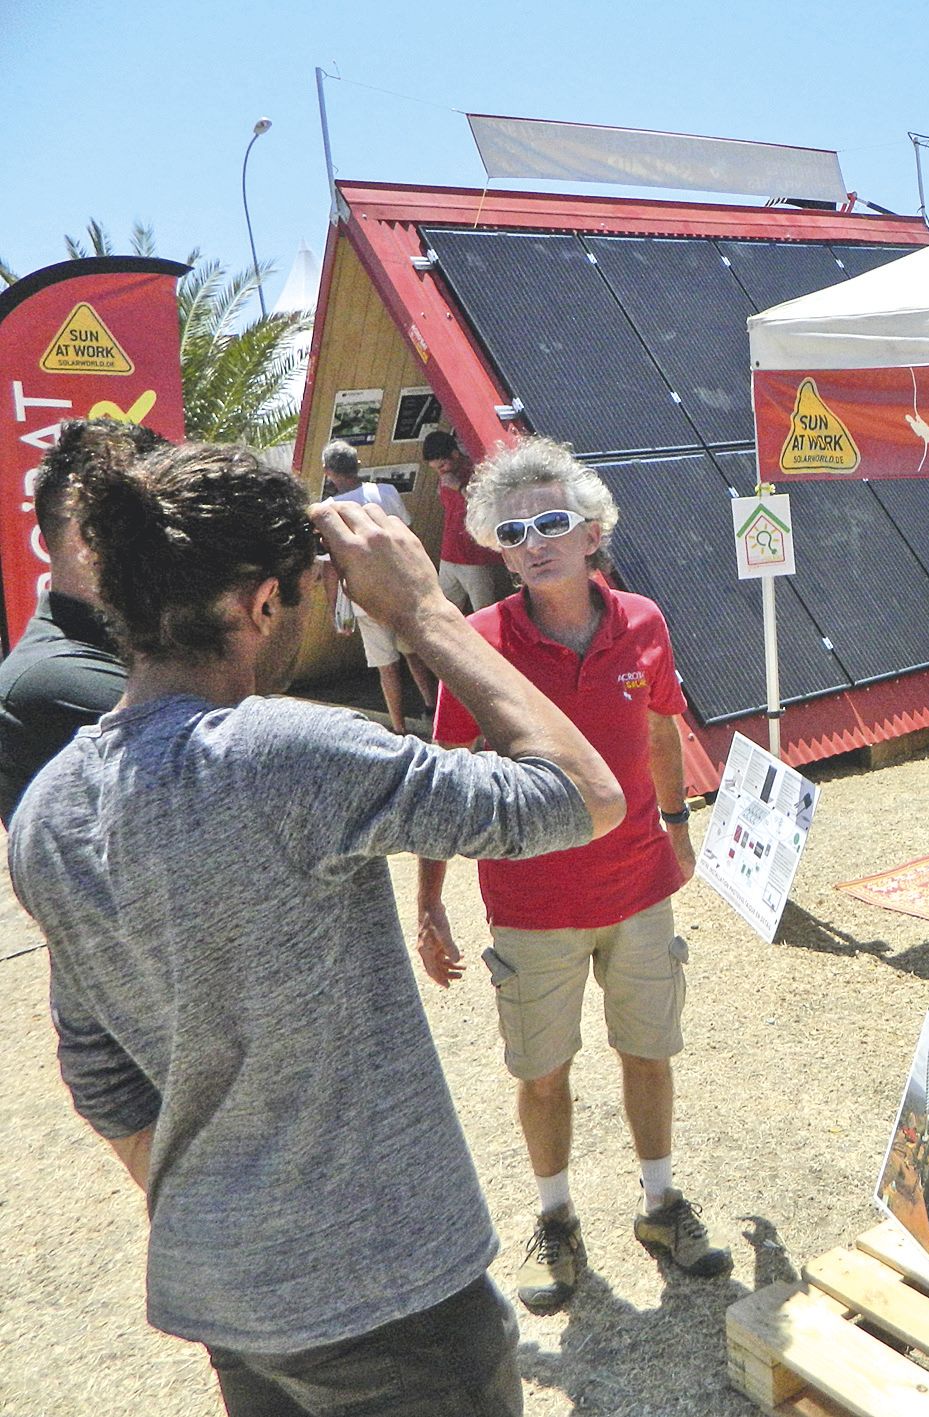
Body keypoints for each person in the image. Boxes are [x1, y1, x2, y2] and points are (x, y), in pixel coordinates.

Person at [6, 442, 626, 1416]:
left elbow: (97, 1070)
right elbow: (584, 796)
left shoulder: (47, 813)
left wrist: (232, 1218)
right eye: (309, 593)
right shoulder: (286, 752)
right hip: (393, 1294)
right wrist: (424, 612)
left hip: (227, 1296)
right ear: (262, 604)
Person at [416, 435, 730, 1316]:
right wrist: (430, 899)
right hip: (531, 900)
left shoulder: (645, 622)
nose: (534, 543)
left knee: (649, 1051)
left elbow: (661, 727)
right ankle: (556, 1220)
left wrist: (677, 828)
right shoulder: (477, 642)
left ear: (594, 533)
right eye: (514, 532)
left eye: (551, 522)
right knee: (543, 1072)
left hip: (637, 888)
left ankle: (660, 1205)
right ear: (498, 547)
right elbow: (446, 772)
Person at [0, 419, 166, 826]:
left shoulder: (132, 650)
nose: (177, 540)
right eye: (160, 522)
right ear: (90, 537)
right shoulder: (55, 684)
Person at [322, 439, 439, 731]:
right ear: (358, 465)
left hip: (365, 597)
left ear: (327, 472)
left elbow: (330, 567)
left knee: (386, 667)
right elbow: (407, 535)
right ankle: (432, 708)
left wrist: (335, 610)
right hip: (401, 588)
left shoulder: (329, 510)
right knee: (413, 652)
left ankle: (398, 728)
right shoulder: (386, 492)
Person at [423, 429, 509, 613]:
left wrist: (459, 486)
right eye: (436, 468)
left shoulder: (477, 471)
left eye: (442, 466)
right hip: (449, 556)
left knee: (484, 612)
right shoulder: (445, 477)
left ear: (455, 454)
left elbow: (489, 502)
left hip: (478, 558)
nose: (440, 472)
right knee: (443, 613)